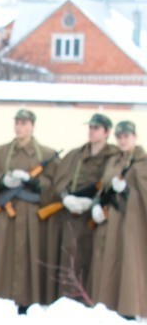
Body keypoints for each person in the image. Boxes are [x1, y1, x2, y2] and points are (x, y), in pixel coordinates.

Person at [0, 109, 56, 312]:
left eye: (25, 123)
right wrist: (3, 181)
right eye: (17, 122)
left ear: (32, 126)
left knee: (28, 259)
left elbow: (54, 186)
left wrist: (35, 183)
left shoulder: (47, 155)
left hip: (31, 217)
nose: (20, 127)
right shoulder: (1, 152)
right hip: (5, 216)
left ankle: (27, 301)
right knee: (3, 257)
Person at [43, 113, 120, 303]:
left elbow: (110, 182)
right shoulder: (76, 155)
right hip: (73, 216)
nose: (92, 131)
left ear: (107, 132)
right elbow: (60, 181)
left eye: (96, 128)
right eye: (90, 128)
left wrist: (94, 202)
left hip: (97, 216)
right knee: (71, 256)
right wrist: (66, 197)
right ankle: (68, 300)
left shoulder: (114, 156)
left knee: (96, 259)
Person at [88, 120, 147, 318]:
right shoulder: (114, 161)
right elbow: (103, 186)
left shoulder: (142, 162)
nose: (123, 141)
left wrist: (128, 190)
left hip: (132, 222)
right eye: (119, 137)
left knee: (130, 262)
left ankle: (130, 308)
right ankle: (108, 304)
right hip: (111, 220)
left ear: (135, 137)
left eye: (126, 137)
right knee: (110, 261)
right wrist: (96, 203)